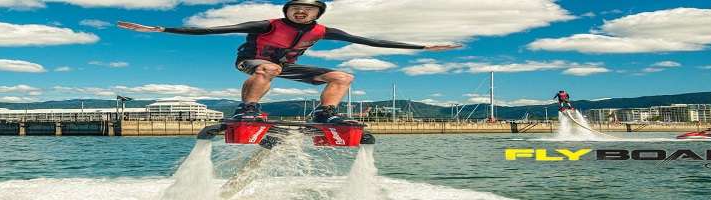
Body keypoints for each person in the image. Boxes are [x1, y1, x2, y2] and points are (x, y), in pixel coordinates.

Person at [119, 0, 461, 124]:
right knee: (270, 68)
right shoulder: (268, 25)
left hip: (289, 67)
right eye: (295, 8)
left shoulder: (326, 30)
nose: (301, 12)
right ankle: (247, 109)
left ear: (317, 14)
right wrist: (160, 27)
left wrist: (422, 46)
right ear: (287, 11)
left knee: (343, 75)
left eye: (308, 9)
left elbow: (371, 41)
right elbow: (211, 29)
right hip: (253, 62)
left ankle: (324, 113)